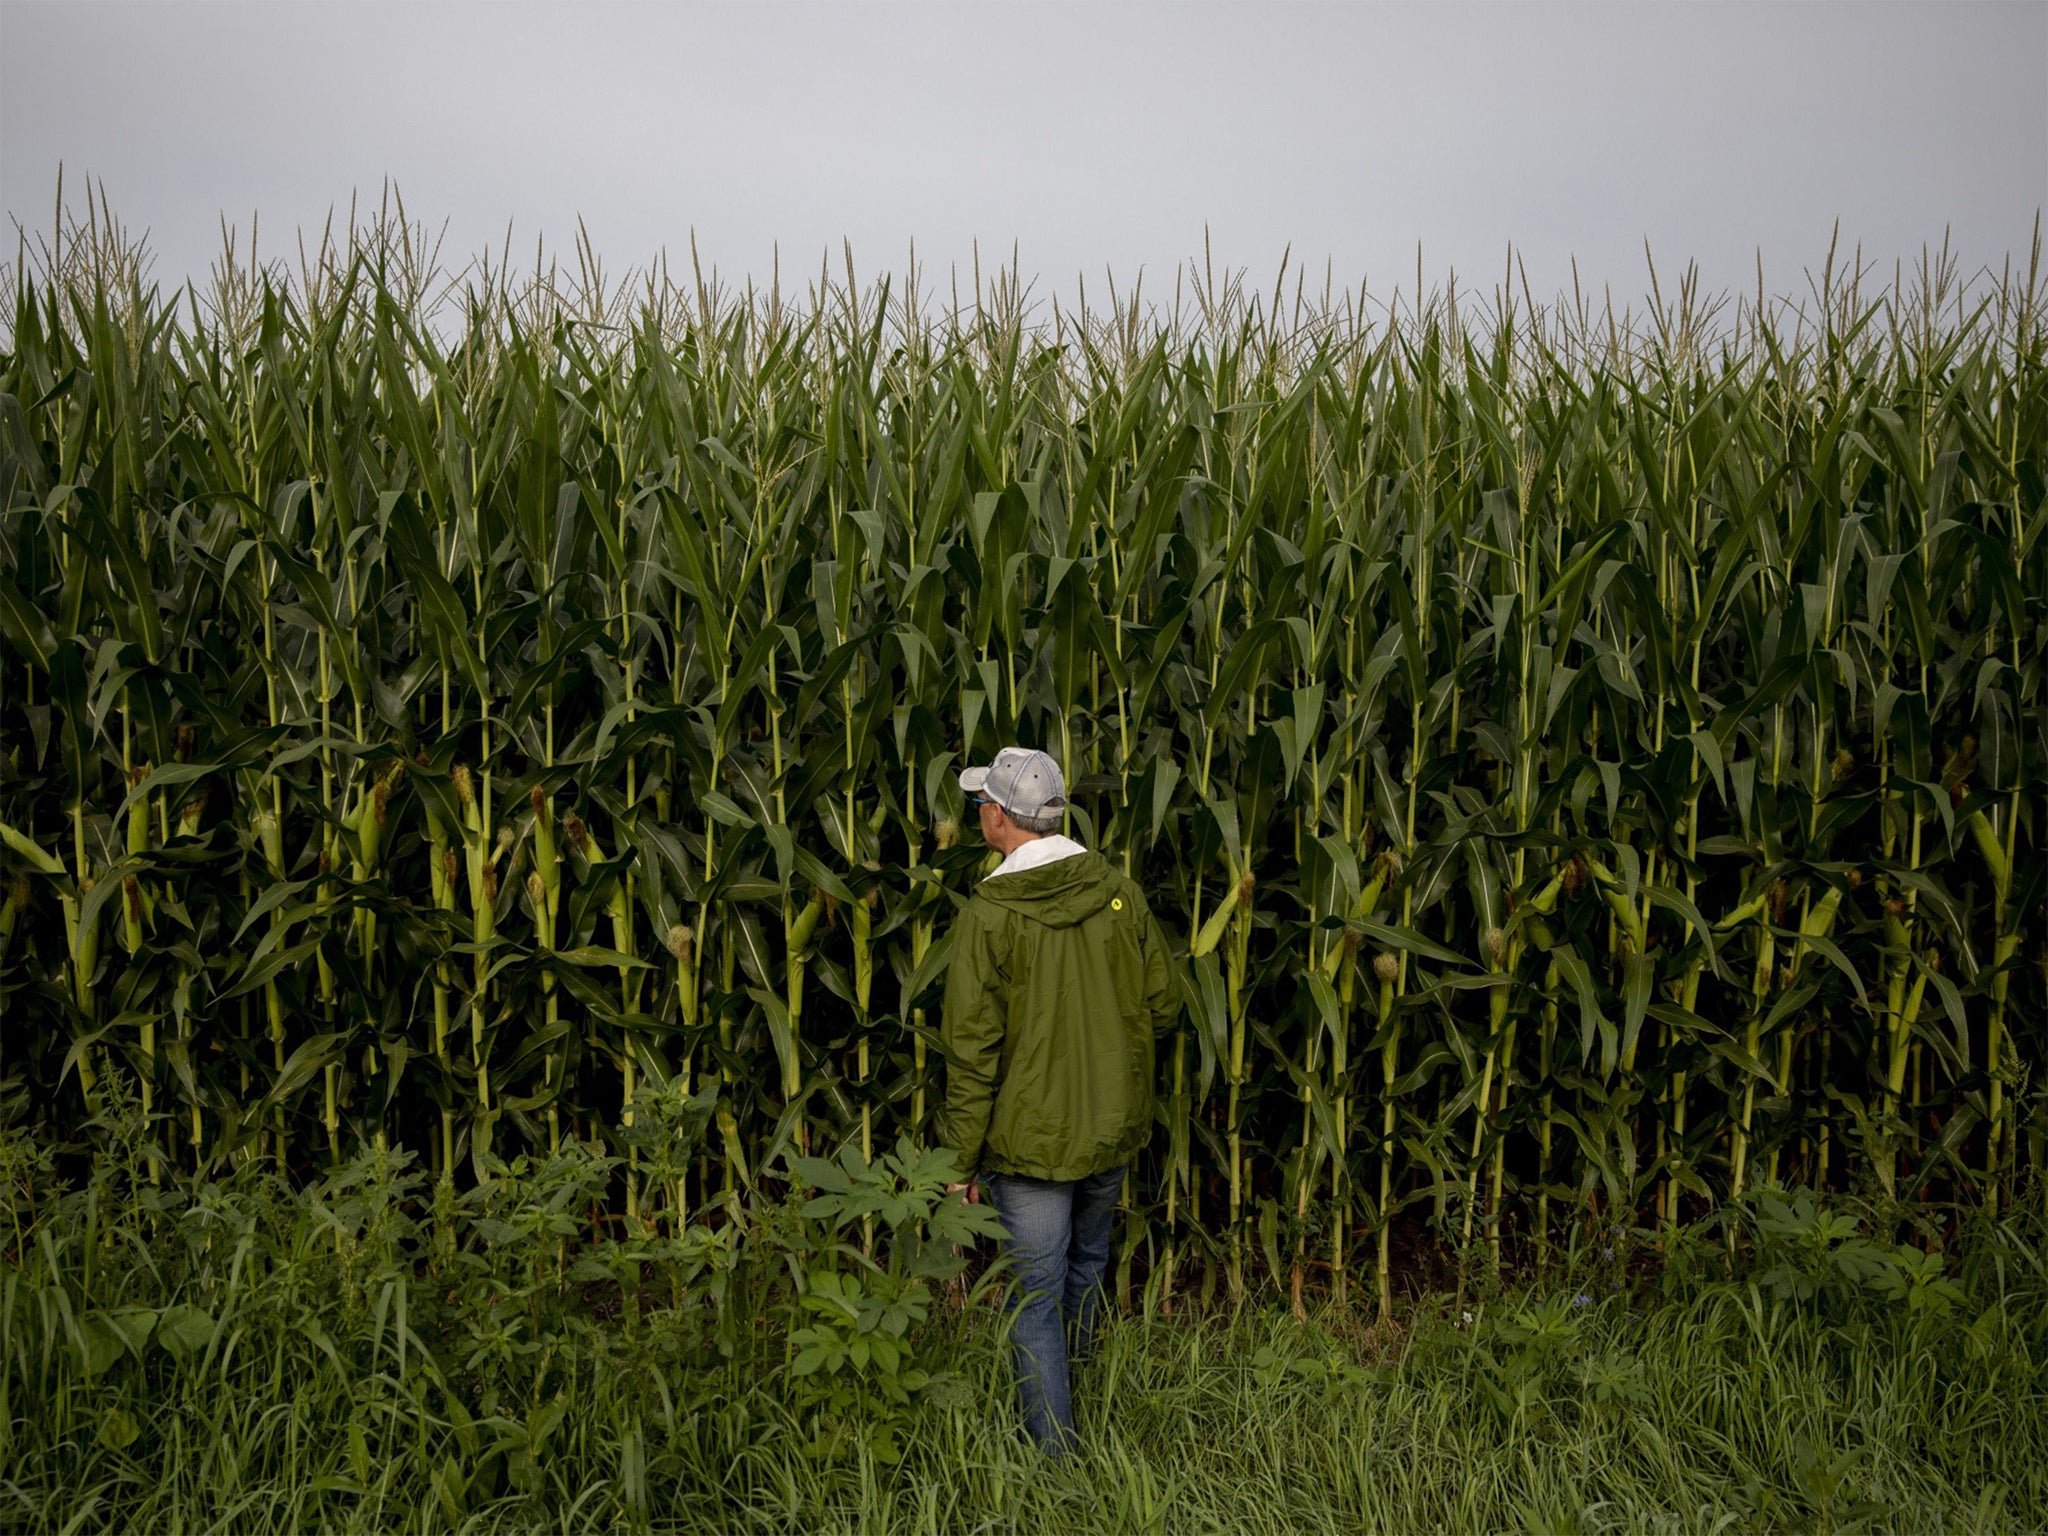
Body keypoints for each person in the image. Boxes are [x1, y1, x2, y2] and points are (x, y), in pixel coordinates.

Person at [937, 745, 1176, 1454]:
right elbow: (1162, 1005)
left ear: (999, 818)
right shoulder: (1119, 892)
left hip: (1032, 1143)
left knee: (1033, 1295)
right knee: (1088, 1264)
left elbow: (973, 1052)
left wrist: (959, 1162)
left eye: (982, 803)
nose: (978, 812)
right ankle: (1082, 1396)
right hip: (1111, 1127)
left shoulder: (989, 916)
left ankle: (1055, 1462)